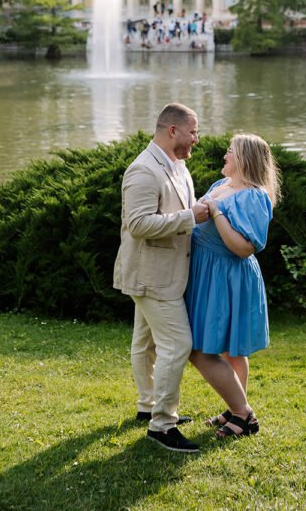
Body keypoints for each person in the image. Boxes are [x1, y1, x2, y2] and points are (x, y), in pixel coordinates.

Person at [113, 102, 210, 454]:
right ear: (172, 131)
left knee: (146, 341)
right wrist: (190, 217)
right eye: (192, 132)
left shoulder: (179, 166)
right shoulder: (143, 170)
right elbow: (137, 225)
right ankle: (162, 424)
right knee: (177, 344)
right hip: (152, 274)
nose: (196, 139)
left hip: (167, 271)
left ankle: (146, 405)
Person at [185, 133, 279, 438]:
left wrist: (217, 213)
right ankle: (236, 406)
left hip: (230, 276)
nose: (225, 155)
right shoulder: (219, 186)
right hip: (207, 272)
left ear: (244, 159)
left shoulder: (254, 196)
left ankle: (243, 414)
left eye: (230, 151)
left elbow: (243, 248)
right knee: (227, 350)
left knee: (225, 349)